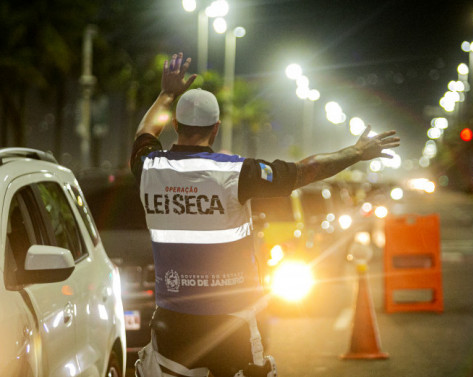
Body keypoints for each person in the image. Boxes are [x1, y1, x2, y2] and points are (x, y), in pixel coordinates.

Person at [131, 52, 400, 377]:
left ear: (175, 125)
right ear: (216, 128)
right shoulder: (236, 173)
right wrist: (355, 153)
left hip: (171, 319)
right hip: (231, 322)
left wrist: (166, 94)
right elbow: (304, 172)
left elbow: (144, 134)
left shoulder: (150, 167)